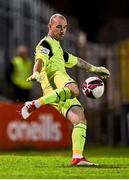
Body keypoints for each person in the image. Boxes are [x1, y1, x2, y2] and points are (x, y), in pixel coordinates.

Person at [21, 14, 110, 166]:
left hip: (55, 94)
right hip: (55, 81)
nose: (63, 31)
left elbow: (77, 61)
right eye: (59, 27)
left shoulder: (58, 49)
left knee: (80, 119)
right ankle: (35, 104)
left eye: (65, 28)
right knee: (74, 89)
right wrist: (36, 72)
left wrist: (96, 69)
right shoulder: (46, 43)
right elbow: (40, 60)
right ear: (50, 26)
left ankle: (77, 158)